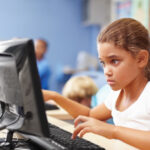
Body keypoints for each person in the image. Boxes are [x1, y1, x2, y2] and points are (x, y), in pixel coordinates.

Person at [42, 18, 150, 150]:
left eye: (114, 61)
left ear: (141, 59)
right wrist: (55, 97)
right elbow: (89, 115)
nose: (106, 71)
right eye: (103, 63)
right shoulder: (116, 95)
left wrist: (113, 131)